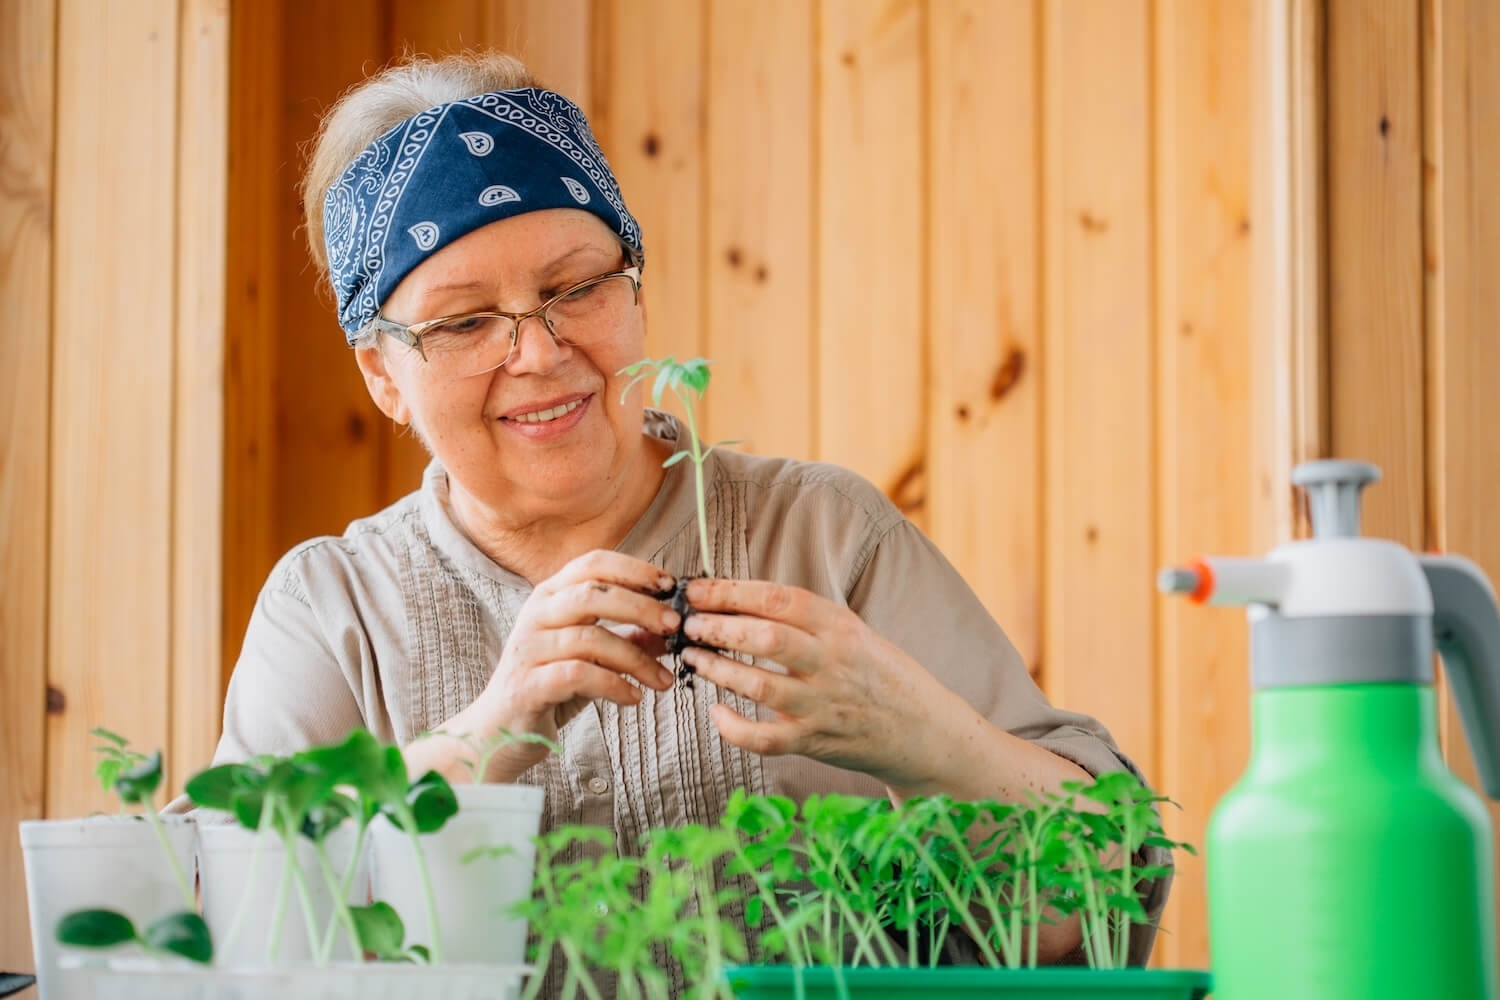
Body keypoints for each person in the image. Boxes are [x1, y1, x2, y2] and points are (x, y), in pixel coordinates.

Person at [205, 47, 1170, 980]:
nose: (538, 353)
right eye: (463, 322)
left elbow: (1096, 900)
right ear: (383, 376)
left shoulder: (827, 538)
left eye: (575, 287)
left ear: (636, 294)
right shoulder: (334, 609)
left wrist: (916, 731)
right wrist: (489, 735)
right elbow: (228, 932)